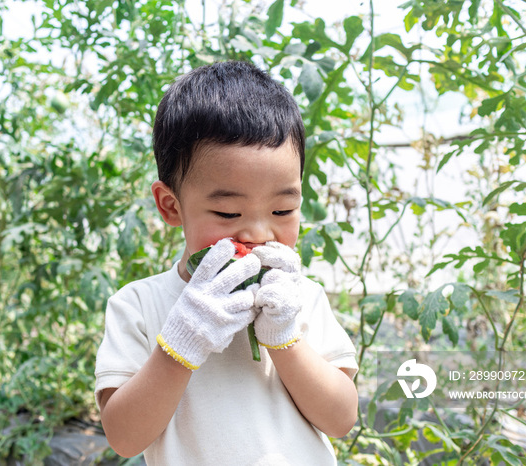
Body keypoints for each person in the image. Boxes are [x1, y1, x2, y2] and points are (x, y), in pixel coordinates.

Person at [94, 61, 359, 465]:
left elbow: (341, 419)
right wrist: (181, 342)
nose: (257, 234)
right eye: (229, 215)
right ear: (171, 205)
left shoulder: (302, 298)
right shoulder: (139, 306)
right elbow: (125, 439)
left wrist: (285, 338)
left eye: (283, 210)